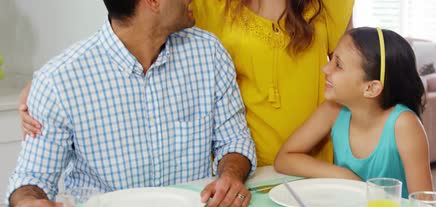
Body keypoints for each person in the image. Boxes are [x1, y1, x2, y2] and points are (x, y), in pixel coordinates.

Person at [6, 0, 257, 207]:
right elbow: (32, 177)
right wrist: (26, 204)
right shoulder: (58, 81)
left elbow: (234, 140)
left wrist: (230, 175)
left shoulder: (208, 53)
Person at [19, 0, 355, 166]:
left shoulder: (329, 5)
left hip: (314, 162)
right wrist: (46, 84)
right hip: (245, 170)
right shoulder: (208, 5)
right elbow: (134, 22)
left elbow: (353, 66)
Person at [274, 27, 433, 198]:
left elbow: (424, 203)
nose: (326, 69)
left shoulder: (404, 124)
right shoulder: (332, 110)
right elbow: (284, 158)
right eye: (331, 59)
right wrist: (345, 176)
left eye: (338, 65)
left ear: (371, 88)